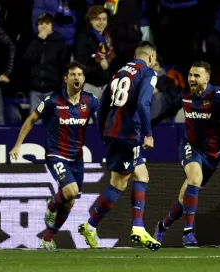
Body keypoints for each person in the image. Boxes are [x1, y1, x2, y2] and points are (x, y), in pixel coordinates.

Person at [78, 41, 161, 251]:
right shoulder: (148, 73)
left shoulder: (119, 73)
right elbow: (144, 103)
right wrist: (148, 133)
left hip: (114, 132)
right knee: (118, 184)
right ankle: (100, 225)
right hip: (128, 133)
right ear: (151, 58)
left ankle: (135, 226)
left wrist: (103, 133)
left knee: (142, 175)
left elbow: (102, 105)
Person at [151, 61, 220, 246]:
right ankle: (188, 234)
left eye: (196, 76)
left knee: (183, 197)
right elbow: (169, 110)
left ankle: (162, 226)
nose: (191, 79)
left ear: (207, 78)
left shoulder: (217, 95)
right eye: (190, 75)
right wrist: (150, 125)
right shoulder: (185, 94)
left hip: (212, 155)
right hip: (190, 146)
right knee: (194, 179)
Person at [9, 61, 98, 251]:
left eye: (80, 75)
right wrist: (18, 145)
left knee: (69, 202)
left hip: (77, 158)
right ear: (66, 79)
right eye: (73, 74)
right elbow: (32, 119)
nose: (77, 78)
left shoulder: (90, 101)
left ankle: (47, 238)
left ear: (84, 79)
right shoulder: (52, 101)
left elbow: (104, 124)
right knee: (70, 191)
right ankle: (51, 205)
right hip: (55, 154)